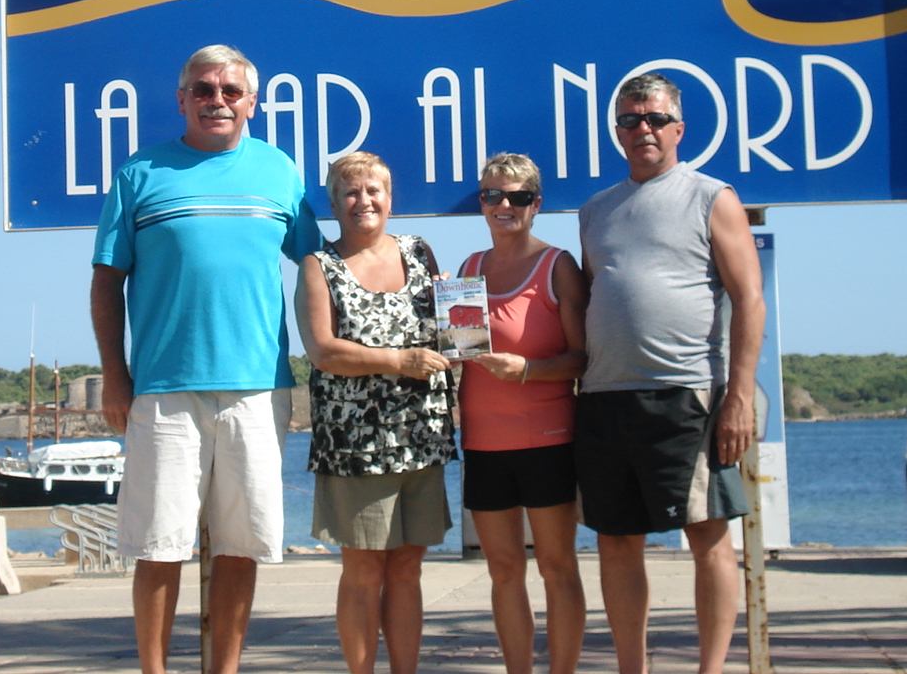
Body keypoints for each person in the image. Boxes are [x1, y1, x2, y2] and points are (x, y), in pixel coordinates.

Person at [91, 44, 322, 674]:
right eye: (203, 89)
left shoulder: (279, 170)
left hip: (260, 389)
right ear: (182, 99)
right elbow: (106, 282)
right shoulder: (139, 173)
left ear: (251, 102)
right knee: (159, 547)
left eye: (230, 91)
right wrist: (115, 375)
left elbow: (318, 266)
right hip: (163, 389)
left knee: (241, 548)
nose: (216, 100)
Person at [576, 72, 765, 674]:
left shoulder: (712, 197)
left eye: (655, 119)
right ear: (617, 131)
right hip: (604, 399)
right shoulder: (594, 210)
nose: (644, 129)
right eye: (631, 120)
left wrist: (738, 398)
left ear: (678, 128)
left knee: (708, 537)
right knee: (615, 541)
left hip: (687, 396)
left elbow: (750, 299)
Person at [297, 152, 456, 674]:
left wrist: (459, 316)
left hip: (422, 435)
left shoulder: (419, 251)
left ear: (390, 199)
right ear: (333, 203)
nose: (363, 201)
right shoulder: (319, 266)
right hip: (356, 444)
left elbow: (446, 333)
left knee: (408, 568)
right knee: (364, 570)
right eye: (351, 192)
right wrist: (398, 361)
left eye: (373, 191)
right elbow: (323, 351)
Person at [457, 153, 588, 674]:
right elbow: (460, 351)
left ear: (536, 204)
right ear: (482, 203)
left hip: (547, 440)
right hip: (483, 443)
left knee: (557, 567)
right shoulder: (468, 269)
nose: (504, 206)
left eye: (517, 197)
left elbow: (582, 359)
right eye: (493, 195)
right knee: (504, 569)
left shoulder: (558, 266)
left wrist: (528, 370)